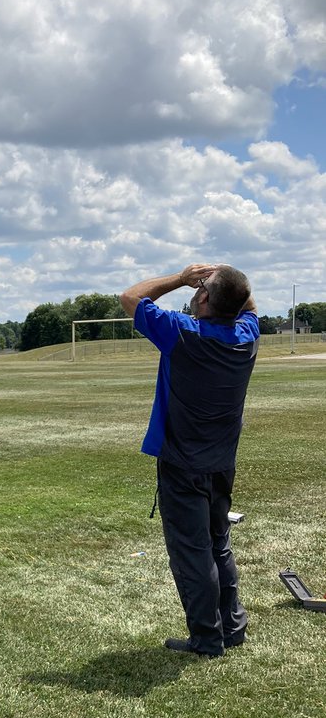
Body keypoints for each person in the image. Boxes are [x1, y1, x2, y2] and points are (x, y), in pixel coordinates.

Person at [120, 263, 259, 657]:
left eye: (201, 288)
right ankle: (231, 627)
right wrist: (224, 281)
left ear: (203, 296)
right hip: (222, 463)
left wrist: (181, 278)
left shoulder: (183, 333)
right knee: (219, 545)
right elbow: (246, 302)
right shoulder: (247, 335)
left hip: (182, 465)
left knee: (192, 553)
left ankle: (206, 639)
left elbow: (130, 297)